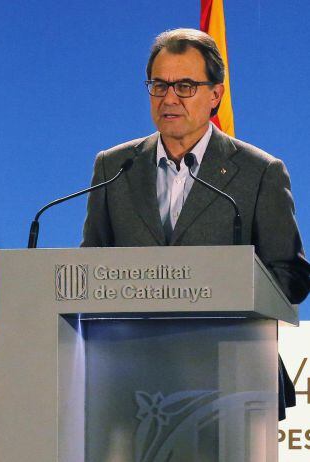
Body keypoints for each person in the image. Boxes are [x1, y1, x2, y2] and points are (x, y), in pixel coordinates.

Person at [81, 28, 310, 420]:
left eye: (185, 85)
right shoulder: (115, 166)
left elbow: (290, 276)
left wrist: (224, 286)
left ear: (215, 94)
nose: (169, 98)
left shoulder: (259, 172)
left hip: (234, 375)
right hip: (129, 378)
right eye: (159, 85)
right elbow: (91, 267)